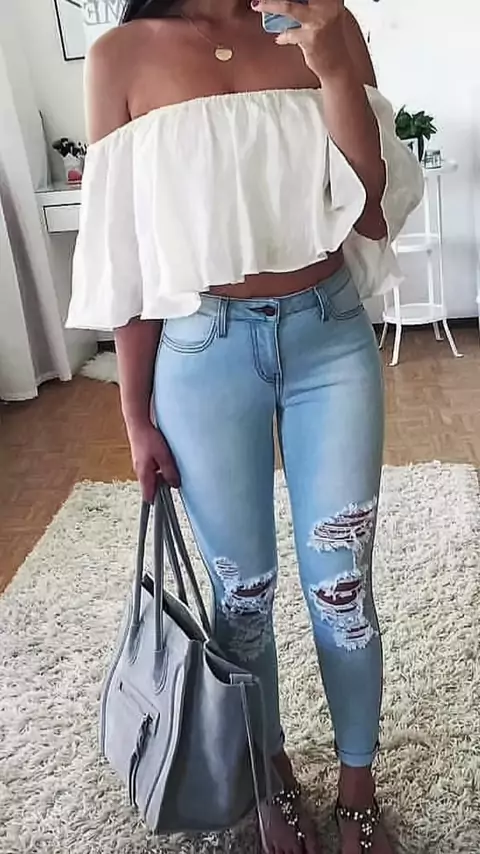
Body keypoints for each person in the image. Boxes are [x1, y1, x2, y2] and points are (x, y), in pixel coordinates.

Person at [66, 0, 423, 850]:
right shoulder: (120, 57)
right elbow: (125, 252)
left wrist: (333, 68)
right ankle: (269, 777)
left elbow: (371, 209)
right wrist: (134, 414)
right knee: (243, 598)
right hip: (202, 354)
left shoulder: (324, 24)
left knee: (342, 591)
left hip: (329, 338)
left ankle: (359, 790)